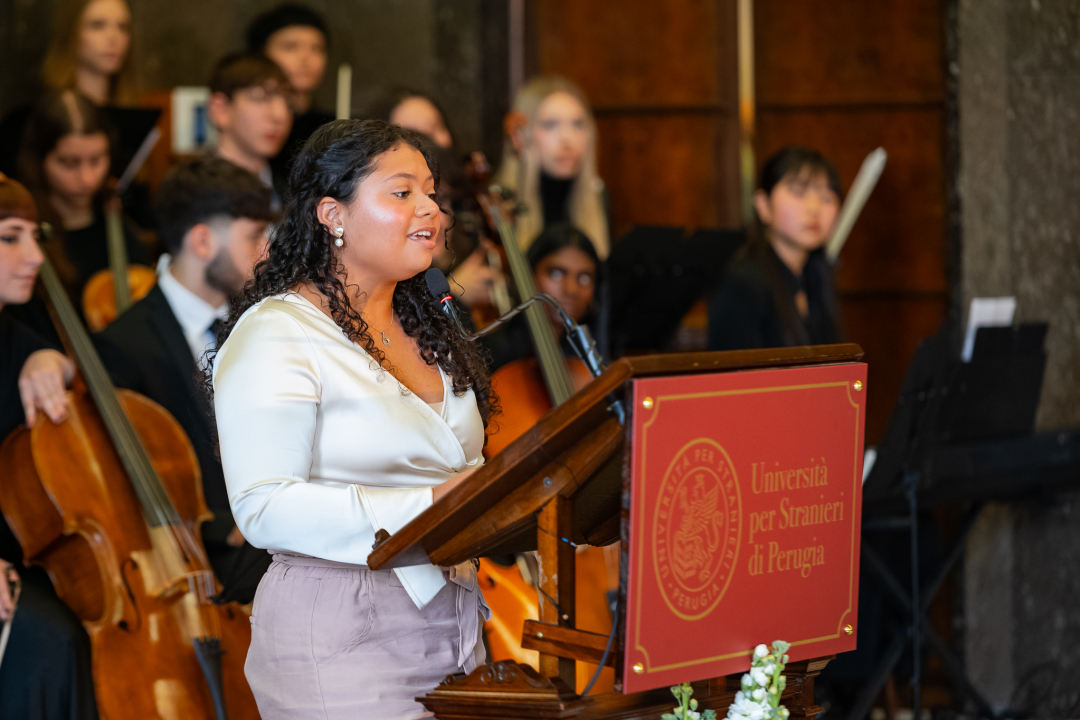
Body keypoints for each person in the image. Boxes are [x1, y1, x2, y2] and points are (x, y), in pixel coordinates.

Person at [207, 119, 495, 718]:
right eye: (402, 192)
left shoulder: (429, 326)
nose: (431, 210)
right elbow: (264, 505)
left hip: (456, 618)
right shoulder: (278, 332)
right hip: (343, 626)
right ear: (332, 214)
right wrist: (434, 504)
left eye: (431, 192)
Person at [94, 157, 274, 600]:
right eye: (254, 236)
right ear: (201, 240)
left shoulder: (263, 319)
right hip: (202, 565)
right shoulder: (125, 345)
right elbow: (130, 482)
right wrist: (224, 527)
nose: (267, 251)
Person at [0, 173, 98, 720]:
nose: (35, 255)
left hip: (22, 558)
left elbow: (66, 361)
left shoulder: (17, 335)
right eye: (10, 237)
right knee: (48, 638)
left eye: (33, 235)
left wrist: (53, 358)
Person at [16, 90, 149, 320]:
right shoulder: (24, 238)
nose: (87, 178)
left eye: (97, 160)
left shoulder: (120, 227)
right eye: (69, 163)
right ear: (40, 160)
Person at [707, 146, 844, 351]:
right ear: (763, 205)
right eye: (799, 193)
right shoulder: (742, 284)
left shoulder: (816, 275)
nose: (814, 208)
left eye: (826, 198)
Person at [0, 0, 135, 177]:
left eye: (122, 27)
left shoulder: (134, 120)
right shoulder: (28, 122)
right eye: (97, 25)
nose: (113, 37)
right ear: (71, 30)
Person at [493, 75, 610, 259]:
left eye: (578, 124)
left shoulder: (599, 197)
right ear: (521, 135)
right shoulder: (500, 205)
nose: (567, 139)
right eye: (550, 125)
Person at [482, 222, 600, 371]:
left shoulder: (589, 357)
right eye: (555, 274)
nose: (571, 290)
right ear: (530, 276)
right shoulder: (492, 353)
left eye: (584, 278)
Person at [246, 4, 334, 178]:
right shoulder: (249, 126)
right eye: (290, 46)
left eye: (316, 48)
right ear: (260, 54)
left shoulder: (333, 128)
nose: (305, 58)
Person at [207, 52, 293, 210]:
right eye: (260, 98)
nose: (281, 115)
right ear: (221, 110)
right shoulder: (192, 192)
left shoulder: (292, 191)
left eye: (288, 102)